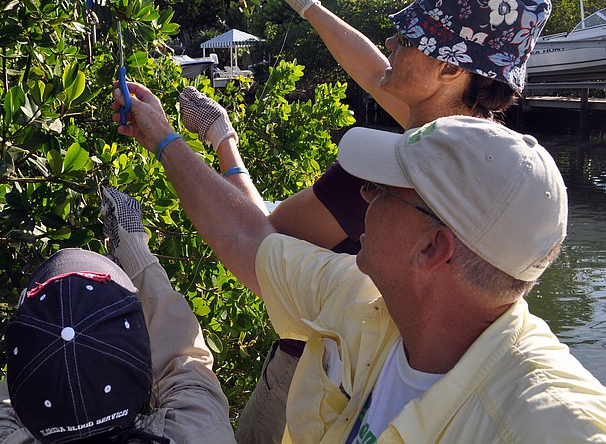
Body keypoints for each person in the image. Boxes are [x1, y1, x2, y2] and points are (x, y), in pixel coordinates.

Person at [178, 0, 553, 442]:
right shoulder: (490, 173)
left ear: (449, 71)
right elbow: (377, 73)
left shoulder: (387, 186)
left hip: (314, 373)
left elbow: (258, 237)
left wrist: (222, 143)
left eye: (415, 39)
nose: (392, 41)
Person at [111, 88, 606, 441]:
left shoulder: (548, 421)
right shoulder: (366, 299)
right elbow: (250, 238)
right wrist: (163, 138)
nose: (364, 197)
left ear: (432, 249)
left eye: (383, 190)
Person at [0, 187, 236, 444]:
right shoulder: (199, 432)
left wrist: (48, 346)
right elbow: (184, 360)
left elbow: (10, 404)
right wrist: (135, 252)